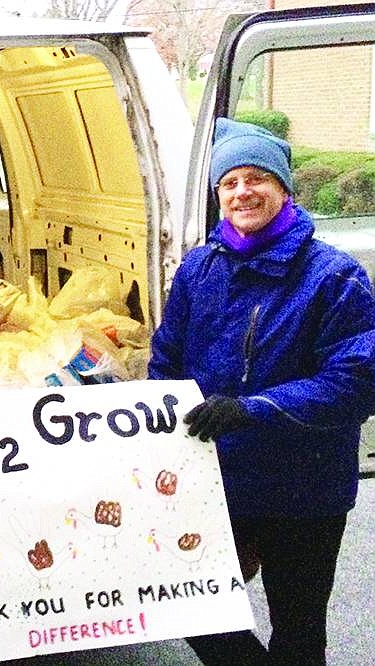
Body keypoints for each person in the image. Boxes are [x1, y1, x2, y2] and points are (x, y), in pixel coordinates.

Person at [148, 118, 375, 665]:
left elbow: (355, 381)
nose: (242, 191)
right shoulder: (199, 269)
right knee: (193, 608)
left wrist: (253, 410)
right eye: (229, 182)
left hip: (303, 491)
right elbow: (167, 356)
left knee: (298, 632)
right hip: (216, 482)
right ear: (218, 196)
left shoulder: (333, 277)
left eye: (257, 179)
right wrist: (156, 415)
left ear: (284, 190)